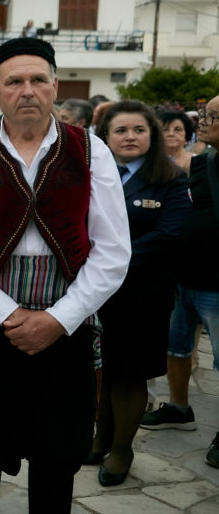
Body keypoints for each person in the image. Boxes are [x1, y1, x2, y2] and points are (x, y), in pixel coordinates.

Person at [0, 37, 131, 511]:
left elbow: (112, 252)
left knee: (57, 458)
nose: (28, 90)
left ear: (55, 87)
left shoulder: (91, 150)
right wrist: (8, 313)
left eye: (38, 80)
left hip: (68, 323)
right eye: (15, 82)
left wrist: (58, 320)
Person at [85, 101, 191, 486]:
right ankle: (101, 439)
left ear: (153, 135)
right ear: (106, 138)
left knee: (129, 373)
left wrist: (110, 261)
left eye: (139, 130)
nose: (130, 136)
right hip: (94, 292)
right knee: (104, 369)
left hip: (142, 293)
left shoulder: (172, 179)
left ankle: (122, 450)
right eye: (120, 130)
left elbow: (171, 235)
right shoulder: (91, 174)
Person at [139, 94, 219, 468]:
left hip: (215, 282)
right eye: (203, 114)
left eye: (211, 116)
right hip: (183, 274)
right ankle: (178, 406)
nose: (202, 120)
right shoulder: (203, 163)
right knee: (176, 347)